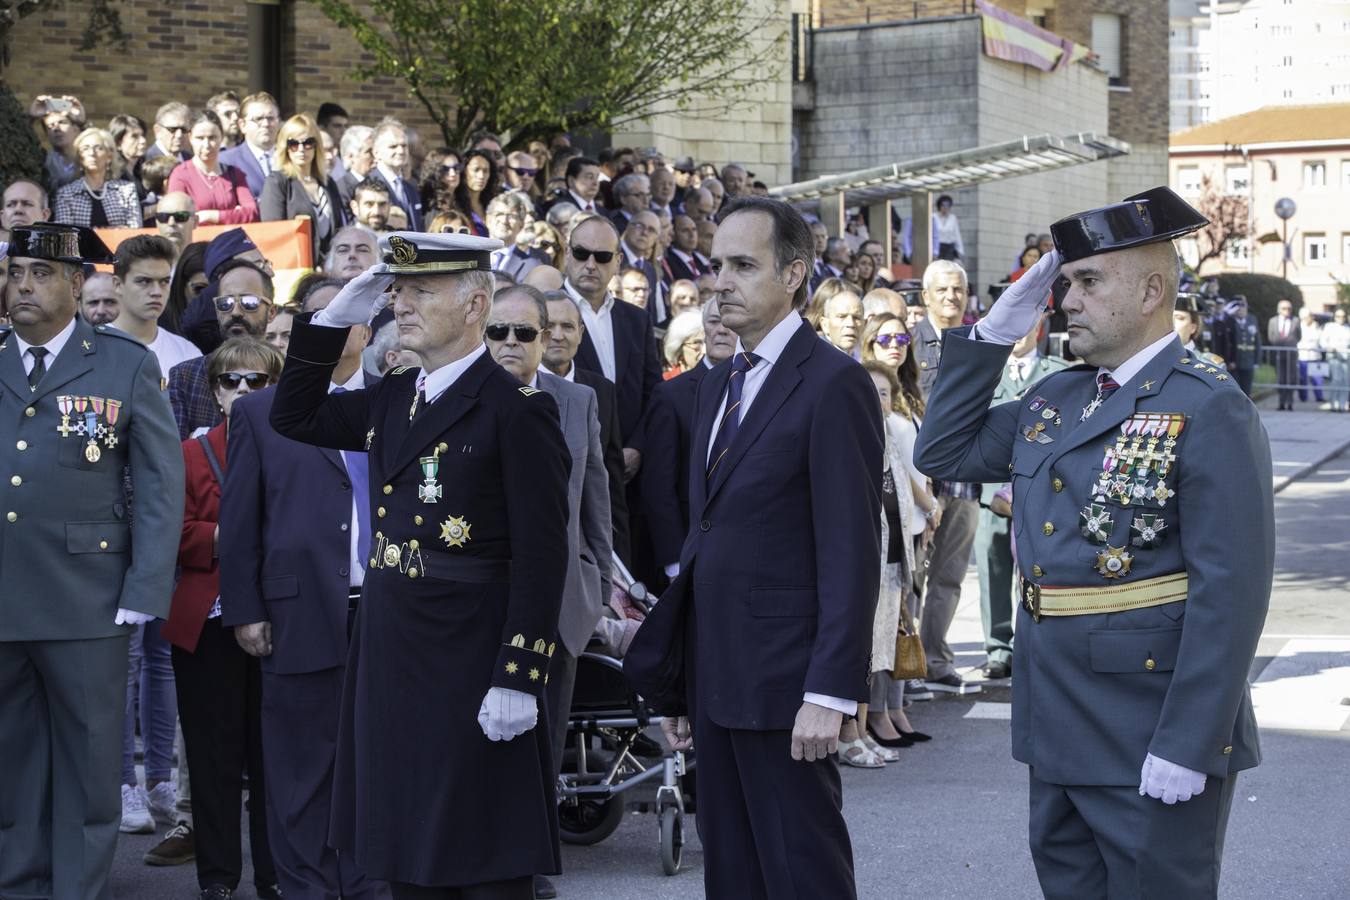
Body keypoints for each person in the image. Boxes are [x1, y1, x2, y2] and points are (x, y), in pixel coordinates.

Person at [915, 186, 1272, 900]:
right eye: (1064, 284)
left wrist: (1190, 742)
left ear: (1150, 290)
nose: (1066, 301)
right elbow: (943, 451)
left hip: (1148, 723)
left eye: (1086, 282)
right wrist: (990, 332)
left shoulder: (1208, 405)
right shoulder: (1058, 397)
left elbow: (1230, 595)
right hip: (1055, 715)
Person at [267, 231, 570, 898]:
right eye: (396, 290)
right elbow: (292, 414)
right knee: (403, 853)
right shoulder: (396, 393)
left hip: (471, 657)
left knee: (481, 859)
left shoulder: (516, 411)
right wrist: (333, 318)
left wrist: (520, 675)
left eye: (419, 291)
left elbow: (544, 555)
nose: (399, 304)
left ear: (474, 306)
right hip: (392, 653)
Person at [629, 197, 882, 899]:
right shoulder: (717, 384)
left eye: (744, 265)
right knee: (733, 877)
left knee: (803, 875)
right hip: (716, 681)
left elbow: (851, 550)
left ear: (795, 274)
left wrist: (831, 691)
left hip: (789, 689)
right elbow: (705, 538)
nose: (722, 283)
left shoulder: (835, 384)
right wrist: (683, 677)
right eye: (717, 265)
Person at [0, 223, 184, 899]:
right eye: (16, 271)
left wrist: (146, 584)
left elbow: (163, 484)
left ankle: (75, 889)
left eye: (40, 273)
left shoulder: (123, 362)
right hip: (4, 593)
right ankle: (19, 883)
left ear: (78, 286)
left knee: (86, 758)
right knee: (12, 760)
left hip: (87, 596)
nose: (23, 285)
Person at [218, 286, 387, 899]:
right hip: (296, 615)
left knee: (377, 761)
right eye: (313, 325)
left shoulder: (394, 403)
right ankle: (307, 888)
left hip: (385, 612)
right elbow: (239, 521)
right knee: (299, 769)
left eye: (341, 324)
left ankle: (370, 886)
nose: (326, 335)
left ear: (365, 334)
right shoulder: (260, 414)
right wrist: (245, 609)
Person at [485, 284, 611, 900]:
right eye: (499, 333)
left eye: (524, 334)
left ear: (546, 339)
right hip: (479, 603)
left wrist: (596, 581)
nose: (511, 344)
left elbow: (596, 501)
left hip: (560, 604)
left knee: (543, 740)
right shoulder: (460, 396)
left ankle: (533, 867)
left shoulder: (577, 399)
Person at [161, 337, 284, 900]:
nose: (242, 390)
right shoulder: (186, 454)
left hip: (279, 620)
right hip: (206, 623)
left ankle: (275, 875)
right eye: (230, 381)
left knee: (273, 760)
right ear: (214, 391)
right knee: (212, 759)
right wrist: (232, 536)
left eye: (255, 381)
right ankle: (216, 878)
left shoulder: (295, 447)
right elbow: (168, 533)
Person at [972, 315, 1068, 681]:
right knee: (993, 571)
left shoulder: (1056, 372)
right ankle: (998, 648)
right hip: (990, 490)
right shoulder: (987, 373)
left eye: (1027, 326)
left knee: (1038, 574)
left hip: (1040, 490)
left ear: (1039, 329)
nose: (1020, 333)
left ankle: (1033, 647)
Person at [859, 314, 934, 742]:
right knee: (872, 640)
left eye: (884, 393)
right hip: (872, 549)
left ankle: (891, 710)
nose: (879, 399)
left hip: (899, 542)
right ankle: (869, 721)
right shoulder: (860, 436)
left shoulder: (893, 425)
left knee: (895, 630)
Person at [910, 258, 982, 695]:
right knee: (913, 577)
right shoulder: (910, 343)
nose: (952, 297)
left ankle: (935, 659)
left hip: (966, 477)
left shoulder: (974, 341)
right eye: (943, 290)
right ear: (926, 297)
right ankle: (908, 664)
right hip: (924, 481)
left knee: (950, 576)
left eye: (958, 290)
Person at [639, 296, 735, 589]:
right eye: (713, 322)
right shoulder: (671, 396)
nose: (721, 329)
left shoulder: (764, 388)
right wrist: (674, 564)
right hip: (688, 555)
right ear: (703, 329)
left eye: (728, 321)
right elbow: (658, 486)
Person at [564, 215, 662, 477]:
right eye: (581, 253)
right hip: (571, 467)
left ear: (618, 261)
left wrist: (637, 447)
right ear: (567, 254)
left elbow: (653, 392)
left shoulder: (636, 319)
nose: (590, 264)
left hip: (632, 471)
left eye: (602, 256)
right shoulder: (545, 315)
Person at [542, 290, 632, 566]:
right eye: (549, 327)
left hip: (585, 553)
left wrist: (619, 561)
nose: (558, 335)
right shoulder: (515, 388)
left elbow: (610, 480)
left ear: (581, 333)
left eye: (567, 326)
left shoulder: (601, 390)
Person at [169, 259, 276, 439]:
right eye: (225, 303)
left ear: (271, 312)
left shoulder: (290, 375)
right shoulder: (186, 377)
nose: (235, 312)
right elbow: (172, 456)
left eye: (249, 302)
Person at [260, 114, 346, 260]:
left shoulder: (327, 183)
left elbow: (338, 230)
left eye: (308, 142)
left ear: (316, 146)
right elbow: (273, 233)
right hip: (294, 267)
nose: (301, 149)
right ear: (285, 147)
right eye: (293, 143)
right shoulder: (277, 182)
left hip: (330, 269)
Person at [168, 110, 260, 225]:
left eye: (212, 138)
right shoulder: (180, 175)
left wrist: (209, 216)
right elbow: (178, 217)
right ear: (190, 138)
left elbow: (252, 213)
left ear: (221, 137)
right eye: (200, 138)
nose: (206, 145)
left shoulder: (235, 174)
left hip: (230, 240)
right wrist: (234, 214)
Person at [53, 127, 143, 227]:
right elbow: (65, 235)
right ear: (79, 157)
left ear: (109, 156)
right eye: (85, 149)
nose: (92, 153)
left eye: (98, 148)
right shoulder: (66, 194)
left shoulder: (126, 191)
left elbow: (135, 229)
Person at [219, 92, 281, 200]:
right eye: (258, 119)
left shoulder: (291, 157)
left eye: (270, 118)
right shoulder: (226, 162)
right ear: (242, 125)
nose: (266, 124)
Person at [363, 122, 422, 232]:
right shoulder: (367, 186)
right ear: (376, 152)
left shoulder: (411, 187)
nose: (400, 151)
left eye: (404, 146)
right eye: (393, 146)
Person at [28, 93, 86, 189]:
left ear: (76, 129)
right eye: (50, 126)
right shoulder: (43, 160)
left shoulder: (89, 157)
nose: (56, 128)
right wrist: (31, 119)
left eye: (62, 122)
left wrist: (82, 122)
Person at [487, 192, 542, 281]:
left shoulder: (532, 266)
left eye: (511, 216)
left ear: (521, 224)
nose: (504, 221)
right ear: (488, 220)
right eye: (499, 214)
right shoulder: (470, 256)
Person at [1213, 295, 1261, 397]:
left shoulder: (1252, 320)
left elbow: (1257, 341)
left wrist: (1257, 360)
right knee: (1235, 389)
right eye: (1239, 309)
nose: (1241, 311)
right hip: (1235, 361)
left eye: (1243, 308)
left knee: (1247, 389)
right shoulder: (1230, 321)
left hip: (1248, 360)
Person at [1267, 298, 1301, 410]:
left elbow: (1298, 336)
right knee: (1281, 378)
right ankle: (1281, 402)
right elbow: (1271, 336)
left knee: (1291, 378)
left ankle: (1290, 402)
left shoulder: (1295, 320)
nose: (1287, 310)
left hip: (1291, 354)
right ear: (1279, 310)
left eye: (1289, 308)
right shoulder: (1273, 321)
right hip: (1279, 353)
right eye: (1284, 308)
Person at [455, 149, 498, 236]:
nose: (481, 176)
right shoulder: (455, 204)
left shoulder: (494, 204)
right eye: (476, 170)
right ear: (464, 171)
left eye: (485, 171)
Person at [336, 125, 375, 208]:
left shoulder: (378, 182)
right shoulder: (341, 189)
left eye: (375, 151)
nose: (375, 156)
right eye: (369, 151)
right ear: (351, 157)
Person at [1320, 308, 1350, 412]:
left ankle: (1342, 405)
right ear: (1335, 317)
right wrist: (1329, 347)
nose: (1341, 318)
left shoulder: (1347, 328)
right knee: (1336, 380)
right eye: (1338, 316)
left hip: (1346, 357)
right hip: (1334, 357)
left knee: (1345, 381)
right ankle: (1333, 403)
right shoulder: (1329, 327)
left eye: (1343, 316)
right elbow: (1322, 341)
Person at [819, 289, 864, 359]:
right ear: (825, 324)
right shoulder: (816, 357)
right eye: (842, 317)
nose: (851, 324)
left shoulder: (868, 357)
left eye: (856, 317)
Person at [660, 309, 705, 378]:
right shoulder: (665, 383)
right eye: (696, 343)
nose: (705, 351)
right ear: (678, 351)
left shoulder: (718, 381)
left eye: (708, 342)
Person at [155, 191, 198, 258]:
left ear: (195, 221)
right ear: (156, 223)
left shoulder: (207, 263)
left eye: (180, 217)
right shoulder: (145, 266)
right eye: (163, 217)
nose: (171, 223)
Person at [933, 194, 964, 261]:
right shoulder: (933, 217)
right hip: (937, 247)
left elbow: (956, 234)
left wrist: (960, 250)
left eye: (947, 205)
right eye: (943, 205)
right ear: (939, 206)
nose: (945, 207)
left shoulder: (953, 218)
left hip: (949, 247)